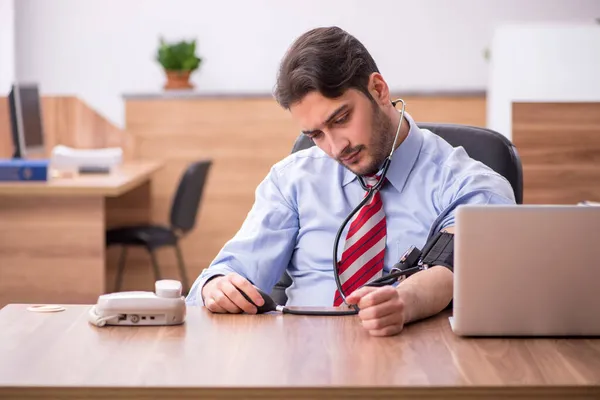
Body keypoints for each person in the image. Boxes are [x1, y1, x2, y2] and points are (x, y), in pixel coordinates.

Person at [186, 26, 515, 337]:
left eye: (341, 119)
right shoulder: (291, 181)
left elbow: (452, 265)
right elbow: (230, 271)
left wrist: (404, 301)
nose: (335, 146)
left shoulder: (471, 185)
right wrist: (217, 286)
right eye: (315, 134)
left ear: (378, 90)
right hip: (301, 368)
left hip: (416, 367)